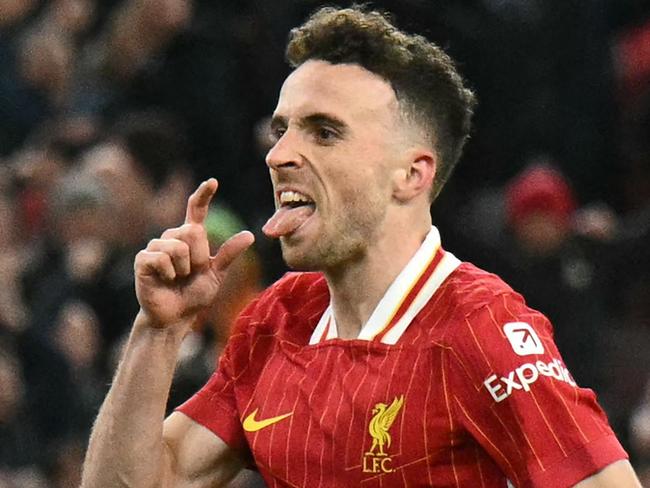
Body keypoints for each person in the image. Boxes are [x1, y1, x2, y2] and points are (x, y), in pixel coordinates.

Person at [81, 6, 641, 487]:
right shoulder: (276, 322)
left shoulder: (479, 329)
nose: (279, 155)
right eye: (282, 130)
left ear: (412, 175)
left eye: (324, 132)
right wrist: (157, 333)